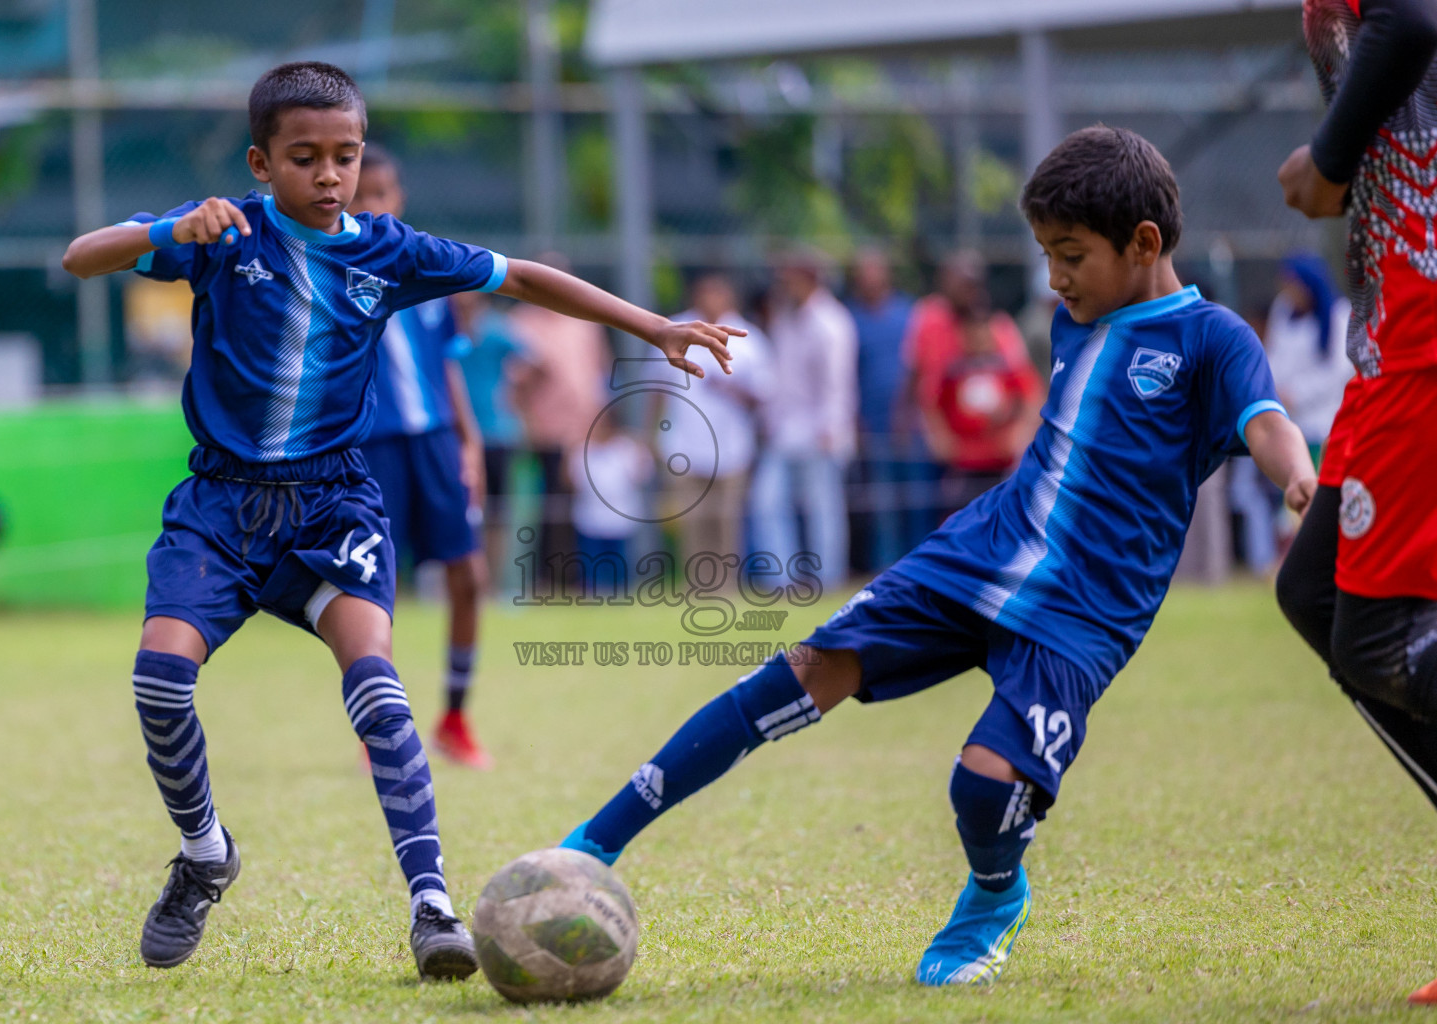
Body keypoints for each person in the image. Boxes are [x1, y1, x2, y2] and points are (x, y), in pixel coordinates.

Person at [558, 125, 1315, 986]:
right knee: (800, 672)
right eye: (1044, 253)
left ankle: (995, 894)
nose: (1054, 276)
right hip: (979, 553)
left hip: (1087, 609)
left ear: (1144, 244)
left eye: (1069, 254)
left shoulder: (1211, 338)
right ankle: (592, 844)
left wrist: (1296, 477)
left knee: (983, 786)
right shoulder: (1073, 318)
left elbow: (1265, 419)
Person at [60, 61, 739, 979]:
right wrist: (166, 228)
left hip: (333, 502)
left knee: (376, 685)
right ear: (261, 163)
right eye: (305, 158)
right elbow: (81, 256)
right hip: (219, 505)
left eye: (345, 156)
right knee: (158, 682)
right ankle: (206, 853)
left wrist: (650, 324)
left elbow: (527, 278)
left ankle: (432, 909)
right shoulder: (222, 234)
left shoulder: (389, 250)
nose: (330, 174)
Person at [1272, 0, 1437, 1005]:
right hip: (1395, 336)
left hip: (1422, 334)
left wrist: (1326, 162)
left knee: (1371, 639)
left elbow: (1410, 15)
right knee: (1315, 596)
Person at [350, 143, 492, 769]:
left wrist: (471, 444)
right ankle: (377, 725)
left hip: (435, 442)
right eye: (360, 198)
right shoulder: (333, 276)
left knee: (470, 578)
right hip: (370, 447)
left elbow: (449, 372)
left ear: (399, 199)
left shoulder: (432, 275)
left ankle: (455, 718)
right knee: (375, 589)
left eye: (381, 195)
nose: (371, 207)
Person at [749, 248, 858, 590]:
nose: (784, 286)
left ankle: (828, 579)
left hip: (820, 431)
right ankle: (781, 581)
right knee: (767, 503)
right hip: (785, 430)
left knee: (822, 508)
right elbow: (780, 376)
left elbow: (837, 381)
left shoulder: (831, 321)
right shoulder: (785, 317)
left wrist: (833, 427)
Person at [507, 253, 615, 592]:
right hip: (544, 432)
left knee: (585, 507)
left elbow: (600, 372)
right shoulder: (521, 323)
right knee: (549, 505)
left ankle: (583, 578)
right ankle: (546, 579)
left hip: (585, 432)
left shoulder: (585, 322)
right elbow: (513, 384)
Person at [904, 253, 1040, 516]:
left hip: (998, 456)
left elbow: (1028, 394)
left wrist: (1018, 431)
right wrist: (937, 434)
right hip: (957, 457)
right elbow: (927, 393)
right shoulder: (930, 324)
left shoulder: (1001, 338)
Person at [667, 272, 775, 563]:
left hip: (732, 449)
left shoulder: (748, 339)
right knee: (692, 526)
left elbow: (764, 396)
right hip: (684, 448)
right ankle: (695, 591)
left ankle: (724, 591)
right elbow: (656, 388)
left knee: (727, 527)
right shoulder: (674, 329)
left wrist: (730, 389)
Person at [922, 304, 1044, 520]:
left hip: (1001, 463)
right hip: (964, 464)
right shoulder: (953, 370)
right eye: (971, 333)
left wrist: (1020, 432)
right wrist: (940, 437)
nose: (977, 339)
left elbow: (1033, 399)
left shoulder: (1007, 367)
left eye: (981, 332)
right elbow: (932, 406)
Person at [845, 248, 923, 570]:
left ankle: (924, 568)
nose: (870, 280)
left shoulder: (910, 313)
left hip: (913, 427)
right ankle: (886, 571)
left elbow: (920, 367)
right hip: (872, 425)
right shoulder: (850, 318)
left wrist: (909, 415)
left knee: (919, 502)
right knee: (882, 507)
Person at [450, 288, 530, 590]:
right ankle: (460, 579)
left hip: (496, 431)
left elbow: (533, 360)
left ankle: (492, 581)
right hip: (455, 431)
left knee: (496, 511)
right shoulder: (446, 325)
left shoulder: (496, 329)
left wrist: (515, 394)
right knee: (460, 507)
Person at [1265, 252, 1353, 467]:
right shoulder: (1283, 309)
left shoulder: (1339, 315)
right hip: (1288, 424)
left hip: (1324, 426)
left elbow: (1338, 372)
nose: (1289, 292)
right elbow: (1273, 354)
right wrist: (1272, 389)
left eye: (1293, 285)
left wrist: (1295, 394)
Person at [566, 405, 650, 597]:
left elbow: (641, 475)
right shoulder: (583, 449)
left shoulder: (627, 448)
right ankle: (591, 594)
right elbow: (571, 481)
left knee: (618, 565)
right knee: (591, 564)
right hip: (590, 517)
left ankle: (620, 596)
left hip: (621, 517)